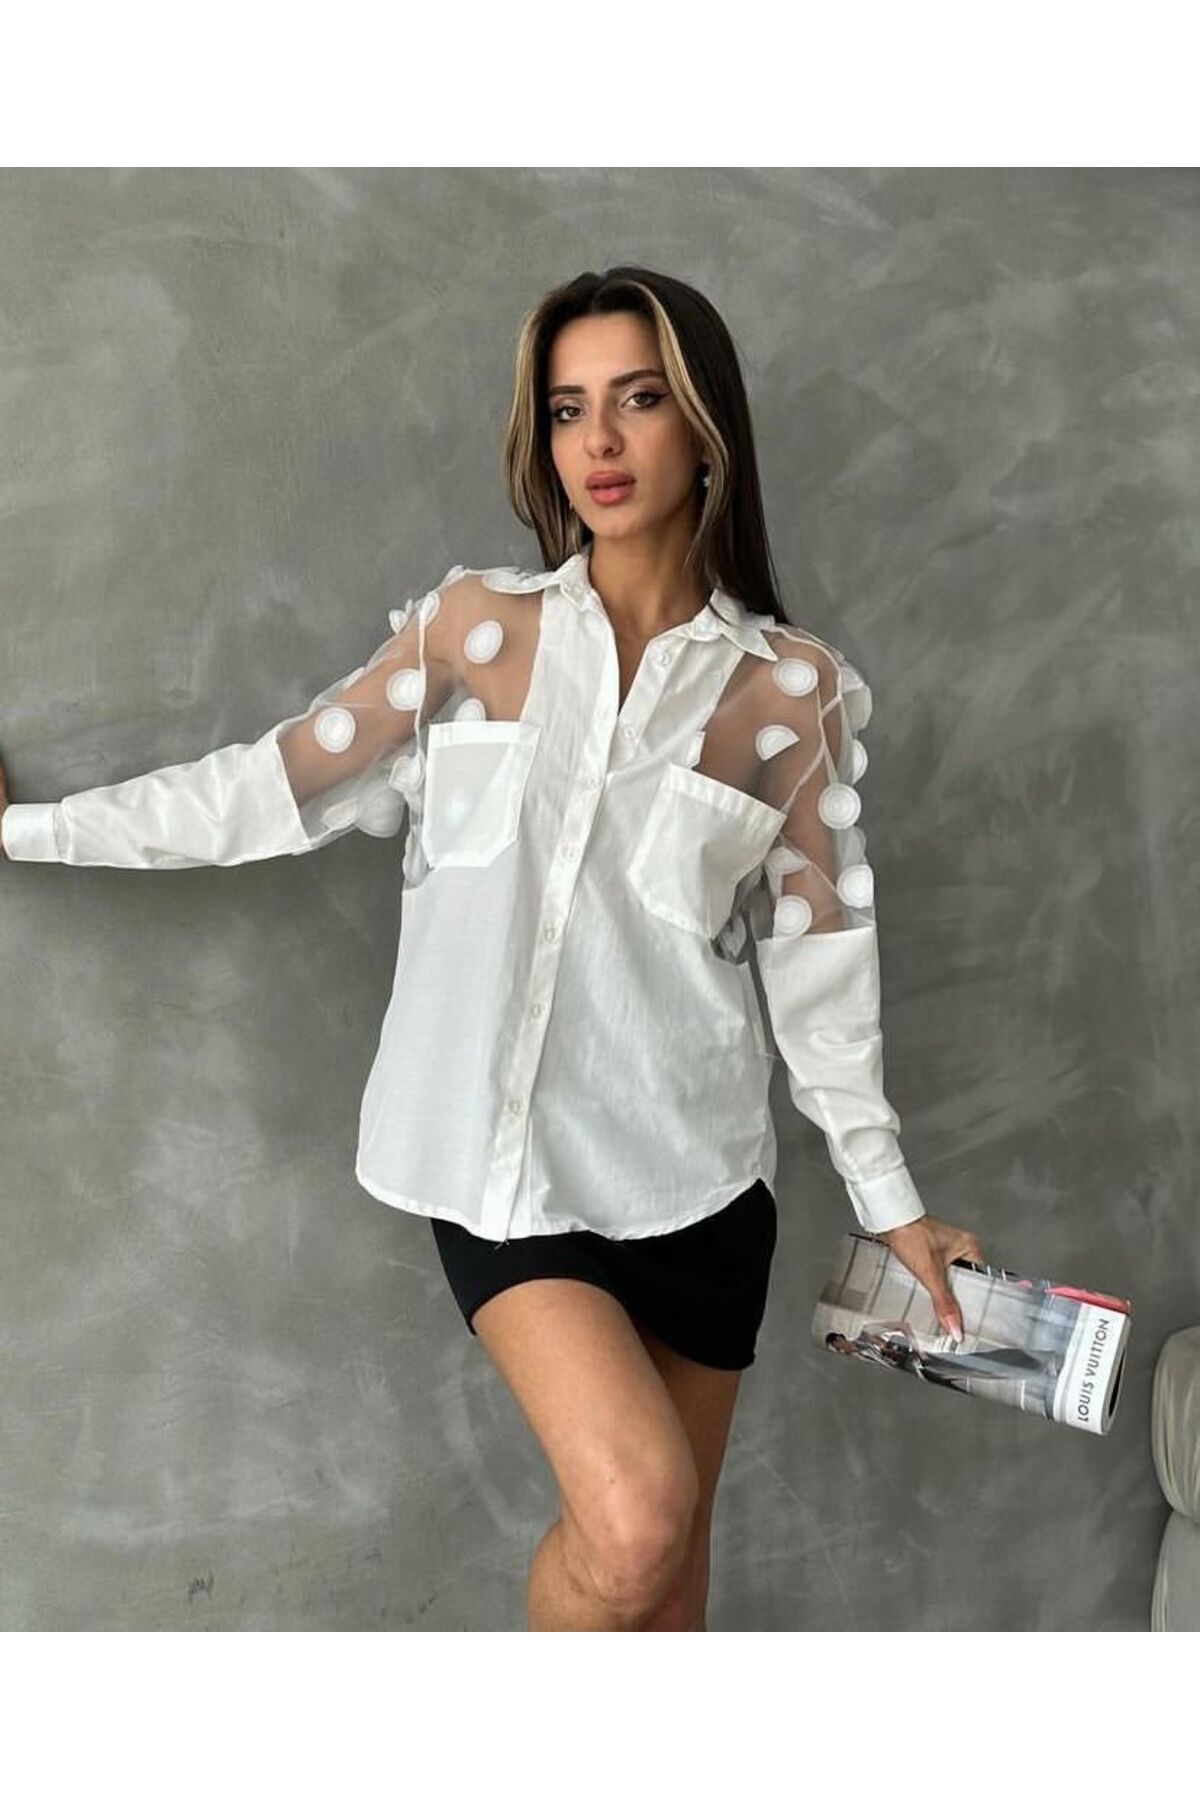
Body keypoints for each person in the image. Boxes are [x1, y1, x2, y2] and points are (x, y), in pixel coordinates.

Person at [0, 263, 986, 1631]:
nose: (600, 441)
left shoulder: (785, 691)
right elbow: (265, 789)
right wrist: (29, 830)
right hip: (501, 1170)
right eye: (570, 409)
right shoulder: (473, 634)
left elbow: (822, 968)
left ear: (704, 427)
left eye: (639, 400)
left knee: (667, 1604)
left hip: (698, 1184)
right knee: (634, 1525)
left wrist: (890, 1201)